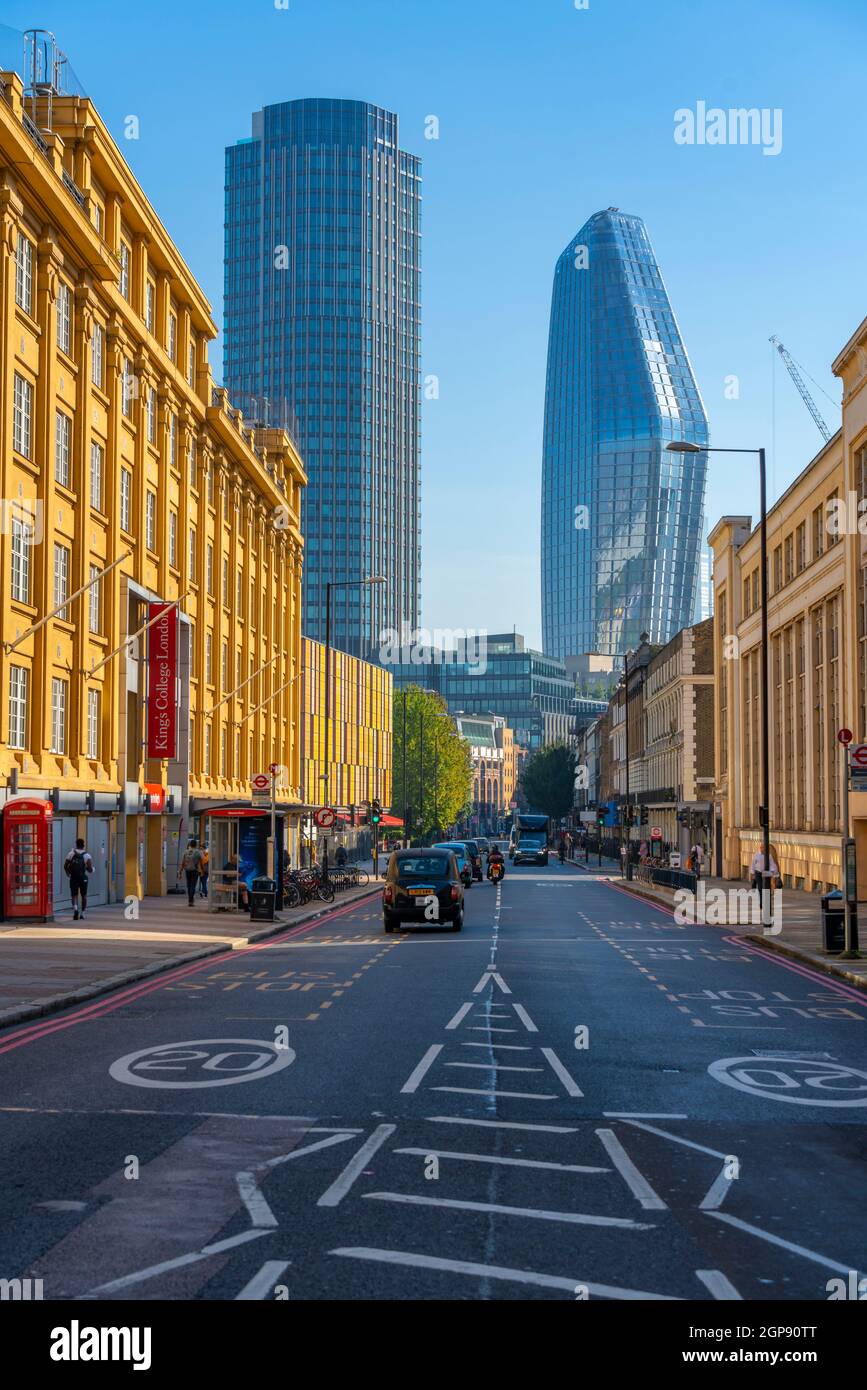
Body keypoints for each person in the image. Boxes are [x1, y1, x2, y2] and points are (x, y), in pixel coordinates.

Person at [64, 838, 94, 920]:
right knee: (84, 895)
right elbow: (90, 869)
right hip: (82, 877)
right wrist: (91, 869)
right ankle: (83, 913)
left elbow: (65, 865)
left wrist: (68, 874)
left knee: (74, 895)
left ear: (76, 844)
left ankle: (76, 909)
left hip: (73, 877)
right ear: (83, 845)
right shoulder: (87, 855)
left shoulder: (71, 854)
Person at [178, 838, 204, 907]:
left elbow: (183, 863)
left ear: (190, 844)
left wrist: (180, 871)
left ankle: (190, 900)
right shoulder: (198, 852)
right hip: (195, 870)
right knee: (193, 885)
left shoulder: (186, 852)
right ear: (196, 845)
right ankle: (191, 900)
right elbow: (201, 862)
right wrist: (202, 870)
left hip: (187, 870)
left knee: (189, 885)